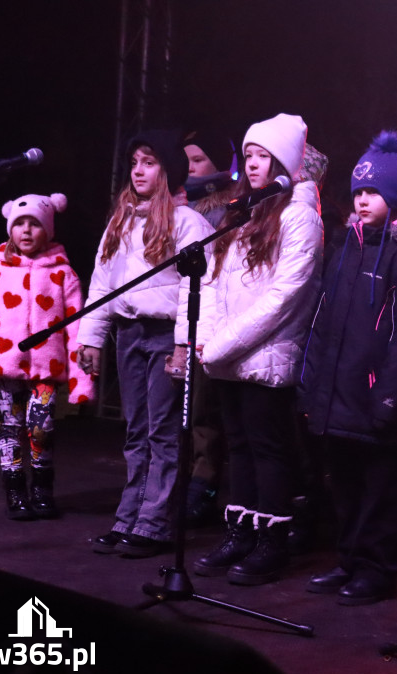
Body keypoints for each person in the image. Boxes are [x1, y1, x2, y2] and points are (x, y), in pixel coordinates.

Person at [300, 131, 397, 605]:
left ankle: (376, 569)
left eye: (373, 192)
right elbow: (325, 320)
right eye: (358, 191)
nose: (362, 200)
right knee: (345, 486)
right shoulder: (347, 248)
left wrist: (389, 397)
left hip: (378, 400)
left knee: (382, 491)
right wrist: (314, 383)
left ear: (395, 196)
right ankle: (349, 561)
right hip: (338, 396)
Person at [189, 113, 323, 586]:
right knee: (238, 445)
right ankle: (240, 532)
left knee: (269, 448)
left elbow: (284, 295)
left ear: (284, 161)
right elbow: (211, 280)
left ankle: (273, 541)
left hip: (265, 354)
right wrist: (205, 338)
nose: (252, 164)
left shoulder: (300, 217)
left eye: (262, 156)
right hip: (226, 354)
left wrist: (221, 344)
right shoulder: (240, 212)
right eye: (247, 155)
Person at [79, 129, 212, 558]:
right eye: (135, 162)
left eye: (149, 162)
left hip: (164, 337)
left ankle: (154, 524)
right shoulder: (120, 221)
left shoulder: (187, 222)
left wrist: (182, 345)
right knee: (135, 432)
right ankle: (128, 518)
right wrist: (93, 337)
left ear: (167, 170)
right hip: (129, 334)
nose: (138, 170)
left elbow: (198, 290)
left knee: (163, 433)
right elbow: (103, 283)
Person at [0, 193, 95, 520]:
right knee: (11, 427)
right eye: (19, 223)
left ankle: (42, 490)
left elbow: (77, 328)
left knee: (42, 427)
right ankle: (16, 492)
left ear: (48, 229)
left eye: (34, 223)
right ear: (10, 229)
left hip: (47, 370)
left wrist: (82, 379)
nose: (26, 230)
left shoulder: (64, 274)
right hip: (7, 368)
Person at [173, 130, 239, 528]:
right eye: (186, 161)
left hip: (207, 316)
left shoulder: (226, 208)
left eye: (198, 160)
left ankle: (204, 482)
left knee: (203, 409)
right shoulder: (174, 204)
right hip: (173, 316)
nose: (190, 168)